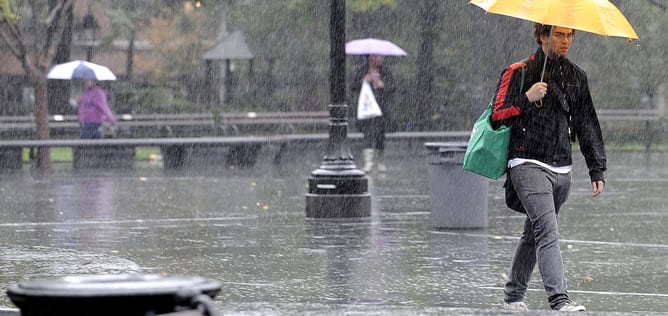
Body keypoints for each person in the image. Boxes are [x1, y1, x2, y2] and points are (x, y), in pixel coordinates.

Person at [491, 23, 607, 312]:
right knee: (547, 230)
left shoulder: (576, 77)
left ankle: (513, 296)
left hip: (562, 169)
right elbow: (497, 115)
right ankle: (559, 300)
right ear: (542, 36)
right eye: (558, 34)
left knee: (534, 232)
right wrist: (526, 98)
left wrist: (596, 167)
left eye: (569, 35)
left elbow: (586, 123)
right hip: (527, 163)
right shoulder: (518, 72)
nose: (565, 41)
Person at [350, 54, 396, 173]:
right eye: (377, 57)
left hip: (381, 109)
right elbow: (353, 87)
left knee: (380, 136)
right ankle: (368, 163)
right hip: (367, 109)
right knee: (368, 135)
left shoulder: (385, 71)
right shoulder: (362, 70)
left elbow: (393, 87)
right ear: (370, 58)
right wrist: (364, 81)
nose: (380, 59)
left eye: (381, 57)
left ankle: (381, 162)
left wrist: (383, 86)